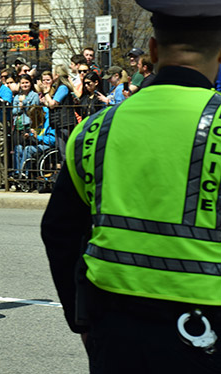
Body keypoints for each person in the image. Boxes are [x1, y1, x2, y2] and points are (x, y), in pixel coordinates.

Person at [42, 1, 221, 372]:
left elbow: (58, 231)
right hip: (207, 330)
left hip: (115, 328)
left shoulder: (93, 129)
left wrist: (84, 323)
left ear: (153, 51)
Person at [40, 64, 76, 160]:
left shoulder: (63, 88)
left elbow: (53, 104)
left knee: (64, 152)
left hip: (64, 123)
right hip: (60, 123)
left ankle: (67, 173)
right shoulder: (60, 87)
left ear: (57, 75)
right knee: (61, 151)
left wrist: (46, 93)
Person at [12, 74, 40, 176]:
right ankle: (17, 173)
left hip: (29, 125)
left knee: (26, 151)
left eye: (26, 82)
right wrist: (21, 106)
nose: (24, 85)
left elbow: (34, 109)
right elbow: (14, 111)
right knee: (17, 150)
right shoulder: (16, 96)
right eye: (22, 83)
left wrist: (23, 103)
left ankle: (25, 174)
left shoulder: (34, 95)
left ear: (30, 83)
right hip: (18, 127)